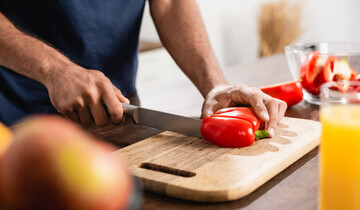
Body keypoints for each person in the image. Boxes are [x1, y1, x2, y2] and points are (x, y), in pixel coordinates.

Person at [0, 0, 286, 137]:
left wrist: (215, 86)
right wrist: (54, 69)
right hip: (14, 121)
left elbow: (171, 4)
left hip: (117, 116)